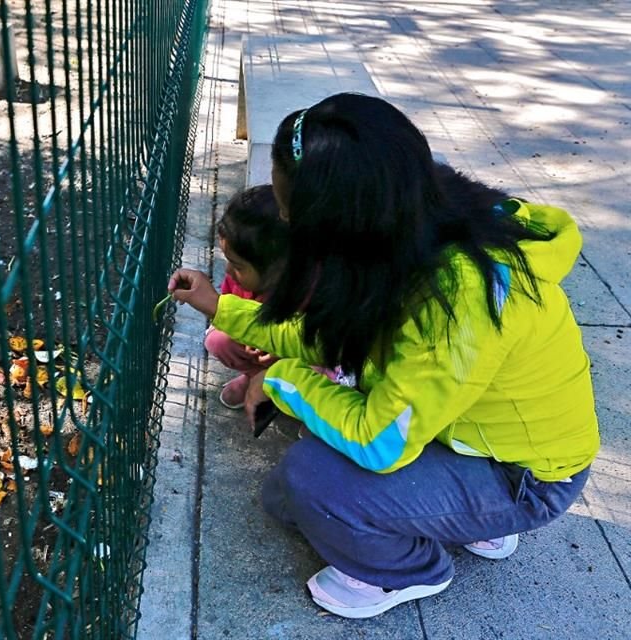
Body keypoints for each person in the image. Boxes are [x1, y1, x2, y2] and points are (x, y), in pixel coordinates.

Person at [168, 92, 599, 619]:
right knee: (288, 493)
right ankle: (464, 517)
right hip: (466, 427)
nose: (286, 225)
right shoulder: (415, 220)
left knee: (308, 484)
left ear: (335, 221)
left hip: (524, 476)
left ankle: (412, 569)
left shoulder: (457, 301)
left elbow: (379, 442)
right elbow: (336, 336)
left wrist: (282, 381)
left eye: (291, 215)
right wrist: (221, 308)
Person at [205, 185, 286, 409]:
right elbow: (228, 316)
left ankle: (304, 402)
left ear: (277, 267)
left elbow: (310, 343)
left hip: (294, 357)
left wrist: (276, 353)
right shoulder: (237, 281)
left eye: (238, 265)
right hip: (258, 350)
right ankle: (254, 376)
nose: (229, 271)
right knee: (217, 339)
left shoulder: (302, 292)